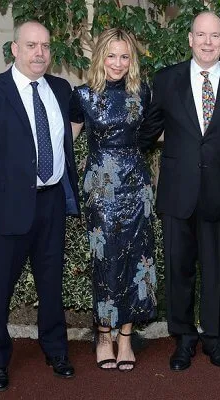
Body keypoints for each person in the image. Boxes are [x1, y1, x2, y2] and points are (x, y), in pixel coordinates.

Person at [0, 20, 80, 391]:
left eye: (45, 46)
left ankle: (56, 350)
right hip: (6, 209)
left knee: (51, 284)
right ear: (14, 49)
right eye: (31, 46)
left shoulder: (61, 89)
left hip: (51, 204)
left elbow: (69, 131)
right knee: (0, 289)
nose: (39, 53)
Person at [139, 11, 220, 371]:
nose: (208, 42)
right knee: (178, 271)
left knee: (214, 270)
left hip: (219, 195)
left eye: (215, 36)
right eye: (201, 35)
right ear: (189, 39)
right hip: (177, 194)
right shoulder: (166, 80)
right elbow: (147, 131)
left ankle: (212, 339)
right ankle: (184, 339)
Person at [69, 28, 157, 372]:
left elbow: (156, 135)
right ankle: (103, 335)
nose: (118, 63)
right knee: (105, 263)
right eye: (111, 55)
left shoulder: (143, 93)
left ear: (131, 59)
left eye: (124, 56)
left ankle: (125, 337)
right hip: (101, 190)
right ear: (100, 57)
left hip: (137, 188)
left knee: (138, 258)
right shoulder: (83, 96)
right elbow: (67, 142)